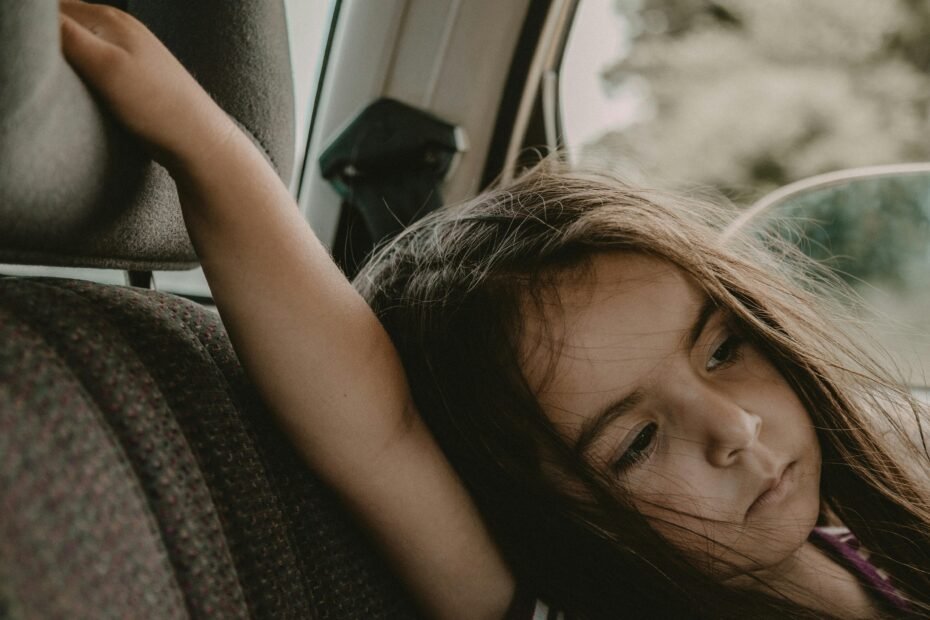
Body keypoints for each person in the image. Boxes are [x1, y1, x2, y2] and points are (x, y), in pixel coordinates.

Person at [58, 2, 930, 618]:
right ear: (544, 507)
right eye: (633, 442)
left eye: (722, 348)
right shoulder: (567, 607)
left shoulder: (867, 527)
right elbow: (378, 428)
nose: (734, 424)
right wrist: (202, 140)